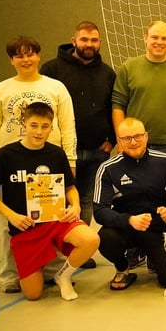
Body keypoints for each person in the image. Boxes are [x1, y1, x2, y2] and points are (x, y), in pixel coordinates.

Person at [0, 36, 82, 294]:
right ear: (11, 60)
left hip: (48, 167)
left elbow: (68, 125)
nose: (25, 59)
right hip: (12, 167)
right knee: (10, 224)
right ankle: (10, 274)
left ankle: (51, 270)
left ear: (38, 56)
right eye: (19, 55)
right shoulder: (1, 90)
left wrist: (69, 159)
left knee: (50, 218)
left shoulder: (55, 87)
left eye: (30, 54)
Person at [0, 102, 99, 301]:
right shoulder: (7, 155)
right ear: (24, 124)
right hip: (26, 229)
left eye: (45, 126)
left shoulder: (56, 153)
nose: (39, 131)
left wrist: (75, 206)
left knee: (91, 239)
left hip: (56, 221)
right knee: (33, 294)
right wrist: (12, 216)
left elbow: (70, 188)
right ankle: (37, 269)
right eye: (34, 125)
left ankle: (63, 275)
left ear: (51, 127)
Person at [93, 118, 166, 291]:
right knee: (105, 238)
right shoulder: (108, 168)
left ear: (146, 136)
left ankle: (156, 255)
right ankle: (123, 268)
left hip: (156, 227)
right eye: (127, 138)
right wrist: (129, 220)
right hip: (126, 227)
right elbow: (100, 211)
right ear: (119, 141)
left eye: (138, 136)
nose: (133, 142)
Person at [40, 20, 116, 225]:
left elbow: (114, 108)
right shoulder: (51, 69)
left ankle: (78, 252)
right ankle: (58, 252)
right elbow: (42, 111)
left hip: (96, 150)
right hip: (60, 150)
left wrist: (112, 140)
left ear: (100, 42)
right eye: (84, 39)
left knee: (86, 200)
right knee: (57, 200)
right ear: (74, 41)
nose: (88, 44)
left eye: (93, 40)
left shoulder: (107, 73)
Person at [112, 20, 166, 161]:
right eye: (154, 37)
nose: (159, 42)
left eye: (164, 38)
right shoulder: (128, 68)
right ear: (145, 38)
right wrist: (121, 140)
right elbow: (118, 105)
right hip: (134, 143)